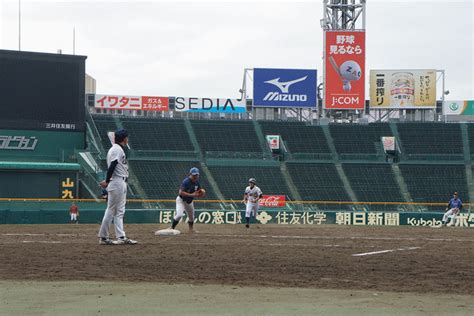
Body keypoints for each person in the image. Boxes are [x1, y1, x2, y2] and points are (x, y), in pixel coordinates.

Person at [98, 128, 137, 245]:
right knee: (111, 210)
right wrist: (107, 180)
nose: (127, 139)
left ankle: (121, 236)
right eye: (127, 137)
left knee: (119, 211)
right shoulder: (117, 149)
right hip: (116, 182)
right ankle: (103, 237)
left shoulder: (117, 149)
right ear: (124, 138)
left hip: (120, 182)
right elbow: (113, 165)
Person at [170, 167, 204, 233]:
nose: (195, 176)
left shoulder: (197, 182)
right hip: (181, 200)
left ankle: (191, 229)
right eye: (194, 175)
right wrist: (192, 195)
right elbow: (180, 192)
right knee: (179, 215)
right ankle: (172, 227)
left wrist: (201, 193)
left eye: (197, 175)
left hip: (189, 202)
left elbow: (198, 192)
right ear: (190, 174)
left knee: (191, 216)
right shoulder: (186, 182)